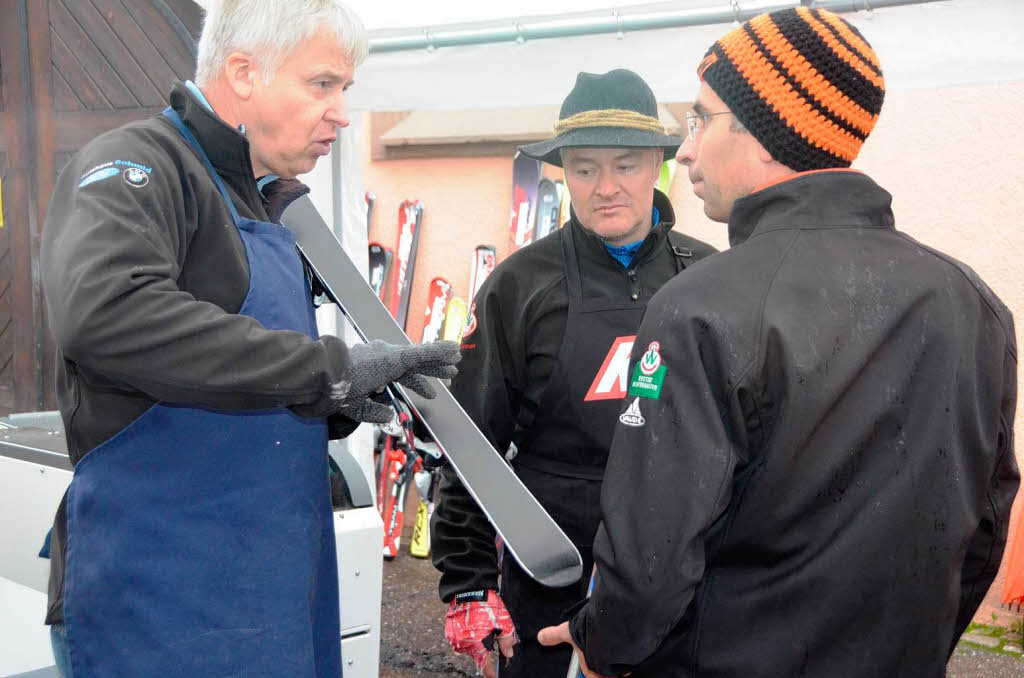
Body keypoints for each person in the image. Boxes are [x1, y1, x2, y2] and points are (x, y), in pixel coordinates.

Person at [537, 7, 1020, 677]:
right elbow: (986, 520)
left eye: (702, 118)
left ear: (764, 132)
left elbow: (651, 551)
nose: (686, 148)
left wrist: (603, 643)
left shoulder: (700, 306)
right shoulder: (972, 301)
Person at [38, 2, 460, 676]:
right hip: (160, 597)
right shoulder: (138, 166)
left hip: (270, 588)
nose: (342, 113)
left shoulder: (267, 204)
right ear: (242, 72)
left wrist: (330, 402)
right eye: (322, 84)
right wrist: (328, 371)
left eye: (345, 89)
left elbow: (241, 374)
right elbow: (108, 310)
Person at [431, 69, 718, 678]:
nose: (606, 187)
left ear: (658, 168)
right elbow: (470, 444)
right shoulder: (519, 285)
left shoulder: (710, 279)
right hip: (546, 562)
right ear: (563, 172)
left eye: (627, 165)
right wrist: (468, 584)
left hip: (672, 571)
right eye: (585, 168)